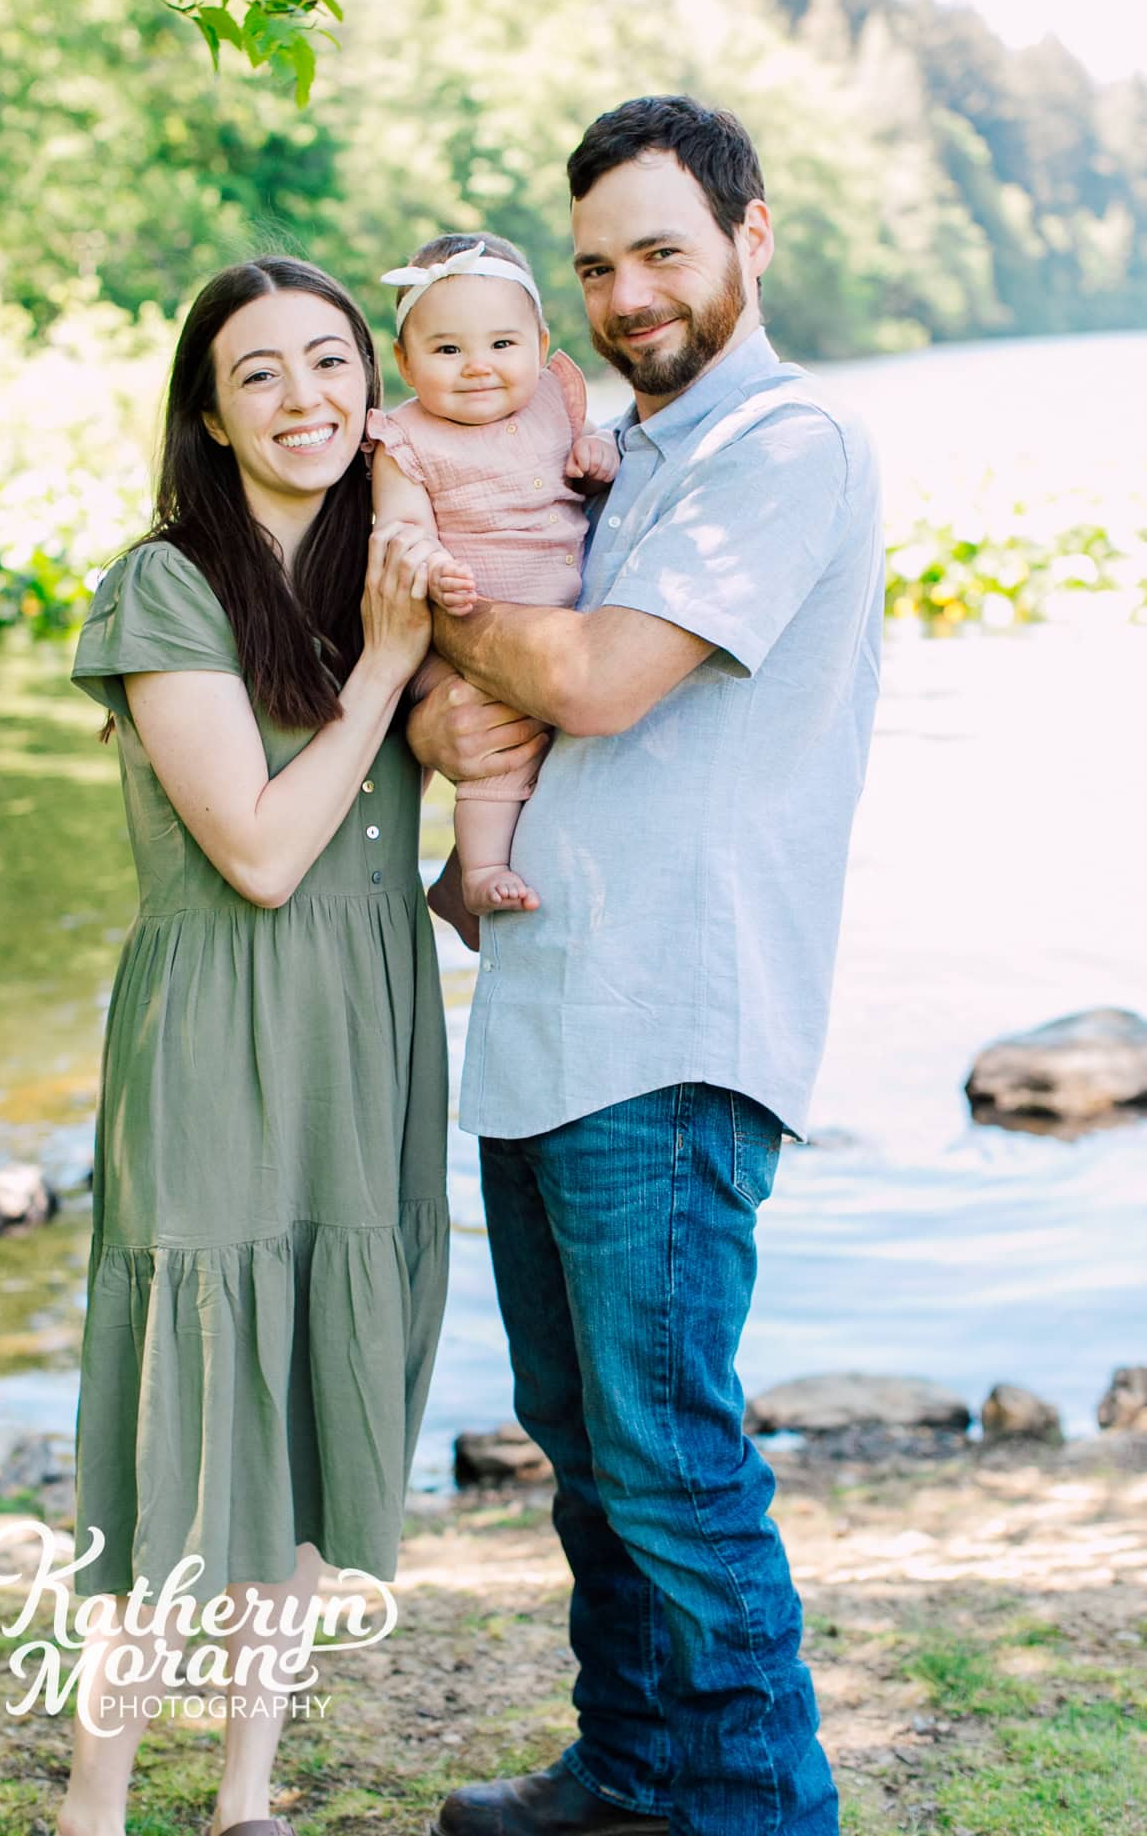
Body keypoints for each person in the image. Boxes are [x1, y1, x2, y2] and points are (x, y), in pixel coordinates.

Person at [408, 97, 885, 1836]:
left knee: (674, 1462)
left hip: (677, 1029)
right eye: (597, 264)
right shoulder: (621, 450)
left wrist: (427, 602)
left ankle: (762, 1808)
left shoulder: (789, 443)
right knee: (587, 1453)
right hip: (548, 1011)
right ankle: (635, 1770)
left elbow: (596, 678)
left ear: (754, 237)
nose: (627, 293)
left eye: (662, 249)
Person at [58, 257, 452, 1836]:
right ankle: (93, 1804)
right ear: (211, 418)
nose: (306, 400)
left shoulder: (402, 561)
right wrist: (382, 665)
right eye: (261, 376)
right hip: (222, 1032)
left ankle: (244, 1795)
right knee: (189, 1414)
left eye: (333, 363)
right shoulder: (167, 586)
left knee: (310, 1394)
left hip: (368, 1030)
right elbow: (264, 853)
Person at [367, 231, 619, 917]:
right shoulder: (404, 439)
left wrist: (596, 449)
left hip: (562, 627)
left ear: (539, 348)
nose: (477, 367)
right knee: (493, 742)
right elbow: (399, 527)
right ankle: (476, 871)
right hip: (471, 625)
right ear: (406, 362)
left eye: (502, 346)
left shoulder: (551, 403)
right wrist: (432, 565)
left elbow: (592, 438)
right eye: (447, 350)